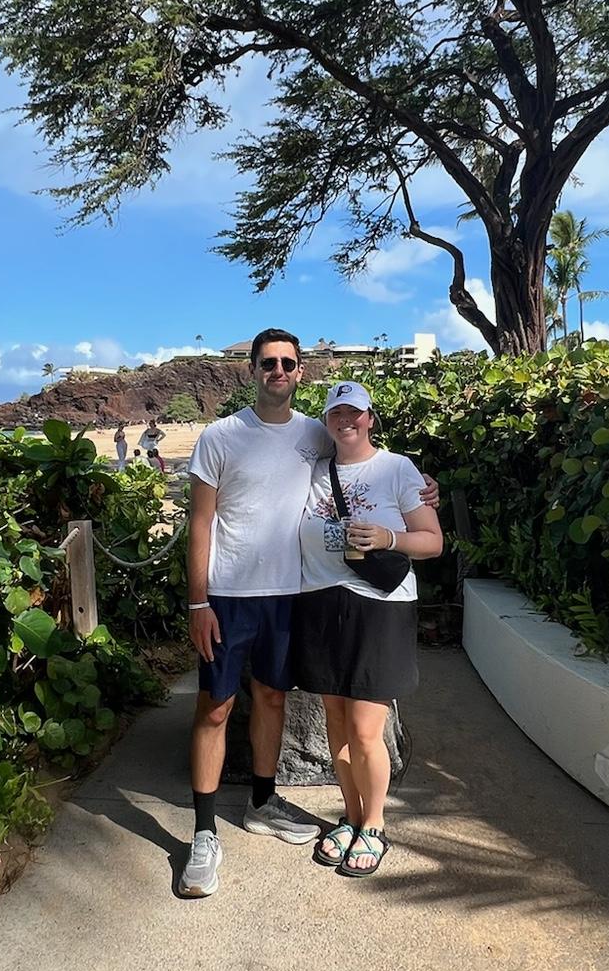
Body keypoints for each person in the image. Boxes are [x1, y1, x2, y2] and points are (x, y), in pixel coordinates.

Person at [177, 330, 439, 899]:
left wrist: (422, 490)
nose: (278, 370)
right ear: (252, 369)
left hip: (292, 596)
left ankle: (264, 803)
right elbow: (200, 522)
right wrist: (198, 601)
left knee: (273, 698)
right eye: (268, 362)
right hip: (229, 594)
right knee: (216, 706)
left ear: (300, 372)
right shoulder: (221, 436)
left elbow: (368, 456)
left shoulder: (315, 433)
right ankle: (203, 832)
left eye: (288, 363)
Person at [294, 380, 443, 877]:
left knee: (363, 729)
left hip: (379, 608)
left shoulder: (397, 468)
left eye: (354, 412)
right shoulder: (313, 471)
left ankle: (375, 824)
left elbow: (433, 542)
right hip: (320, 603)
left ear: (370, 418)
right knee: (336, 723)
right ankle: (351, 816)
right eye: (337, 413)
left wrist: (387, 537)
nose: (346, 421)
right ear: (327, 421)